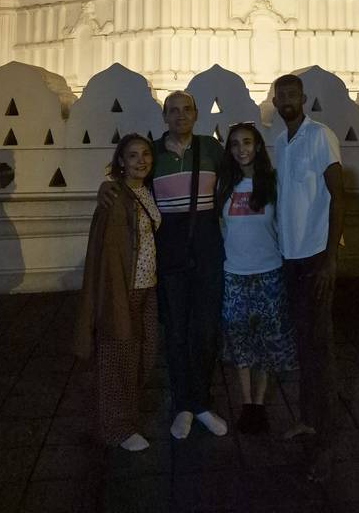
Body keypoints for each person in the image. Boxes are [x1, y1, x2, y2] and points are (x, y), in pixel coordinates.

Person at [97, 90, 227, 441]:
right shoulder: (151, 153)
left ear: (196, 114)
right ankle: (183, 404)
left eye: (187, 110)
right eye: (173, 111)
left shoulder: (212, 149)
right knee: (175, 332)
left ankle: (201, 402)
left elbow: (238, 183)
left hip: (207, 251)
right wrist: (104, 188)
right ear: (164, 117)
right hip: (169, 256)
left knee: (204, 330)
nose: (180, 116)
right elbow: (127, 182)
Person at [272, 73, 345, 482]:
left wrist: (331, 259)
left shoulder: (320, 136)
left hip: (316, 257)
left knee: (321, 351)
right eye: (280, 94)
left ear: (304, 98)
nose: (287, 100)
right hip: (291, 259)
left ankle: (326, 446)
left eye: (292, 94)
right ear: (274, 100)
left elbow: (339, 194)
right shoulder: (281, 142)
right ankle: (308, 421)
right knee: (304, 345)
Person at [74, 133, 161, 452]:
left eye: (146, 155)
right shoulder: (114, 197)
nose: (141, 161)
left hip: (147, 286)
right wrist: (115, 298)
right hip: (122, 290)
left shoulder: (146, 192)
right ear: (120, 162)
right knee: (117, 358)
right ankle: (116, 427)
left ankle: (127, 416)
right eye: (133, 155)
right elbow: (108, 255)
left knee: (143, 355)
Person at [217, 122, 297, 434]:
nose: (242, 150)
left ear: (259, 146)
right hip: (234, 275)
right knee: (240, 342)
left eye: (247, 142)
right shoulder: (225, 186)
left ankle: (259, 403)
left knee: (265, 341)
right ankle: (246, 402)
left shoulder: (272, 184)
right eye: (235, 144)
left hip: (268, 273)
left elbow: (284, 224)